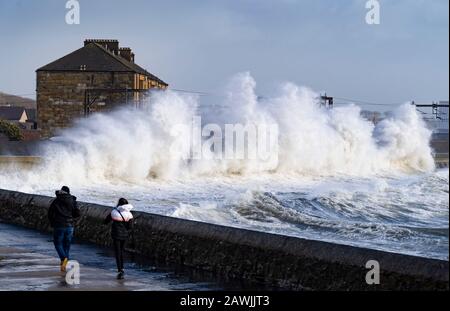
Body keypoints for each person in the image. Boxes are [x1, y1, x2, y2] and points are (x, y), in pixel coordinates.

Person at [48, 186, 80, 272]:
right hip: (70, 226)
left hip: (59, 225)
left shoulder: (56, 201)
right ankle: (64, 263)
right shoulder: (72, 201)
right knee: (67, 244)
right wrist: (72, 218)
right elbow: (77, 213)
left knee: (58, 244)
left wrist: (52, 223)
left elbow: (50, 213)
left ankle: (64, 258)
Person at [104, 198, 134, 280]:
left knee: (117, 252)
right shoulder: (129, 214)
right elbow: (130, 227)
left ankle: (120, 269)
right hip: (124, 235)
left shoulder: (114, 212)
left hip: (116, 235)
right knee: (122, 251)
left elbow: (106, 221)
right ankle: (122, 268)